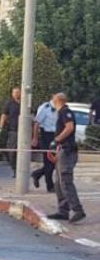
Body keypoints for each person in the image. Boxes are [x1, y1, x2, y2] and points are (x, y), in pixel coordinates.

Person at [47, 93, 86, 224]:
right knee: (58, 182)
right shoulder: (62, 112)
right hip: (62, 150)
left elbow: (69, 128)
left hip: (68, 151)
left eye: (53, 99)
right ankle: (63, 211)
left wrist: (56, 140)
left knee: (65, 181)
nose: (52, 101)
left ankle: (78, 210)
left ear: (58, 100)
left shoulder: (65, 112)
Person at [31, 95, 58, 193]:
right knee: (49, 162)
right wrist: (35, 138)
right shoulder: (44, 108)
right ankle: (50, 186)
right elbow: (36, 123)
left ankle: (37, 174)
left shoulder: (59, 108)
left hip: (56, 136)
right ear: (54, 98)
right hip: (46, 136)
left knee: (54, 163)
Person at [0, 87, 22, 176]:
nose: (16, 94)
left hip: (24, 132)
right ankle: (14, 169)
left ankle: (21, 170)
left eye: (18, 92)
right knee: (12, 151)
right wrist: (1, 127)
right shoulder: (9, 103)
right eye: (15, 92)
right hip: (13, 131)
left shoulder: (25, 103)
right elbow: (4, 115)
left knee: (23, 152)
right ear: (12, 94)